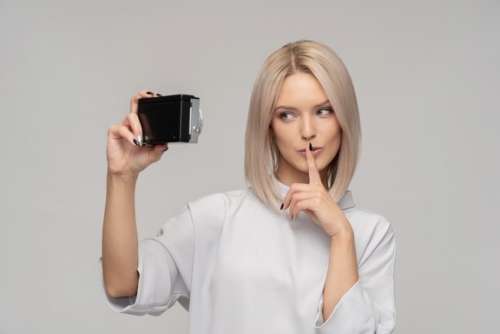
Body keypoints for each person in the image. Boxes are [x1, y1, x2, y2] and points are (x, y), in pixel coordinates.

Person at [98, 39, 397, 334]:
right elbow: (123, 284)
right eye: (287, 115)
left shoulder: (369, 234)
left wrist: (341, 235)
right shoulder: (216, 218)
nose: (308, 131)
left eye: (323, 111)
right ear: (268, 125)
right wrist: (122, 176)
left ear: (344, 118)